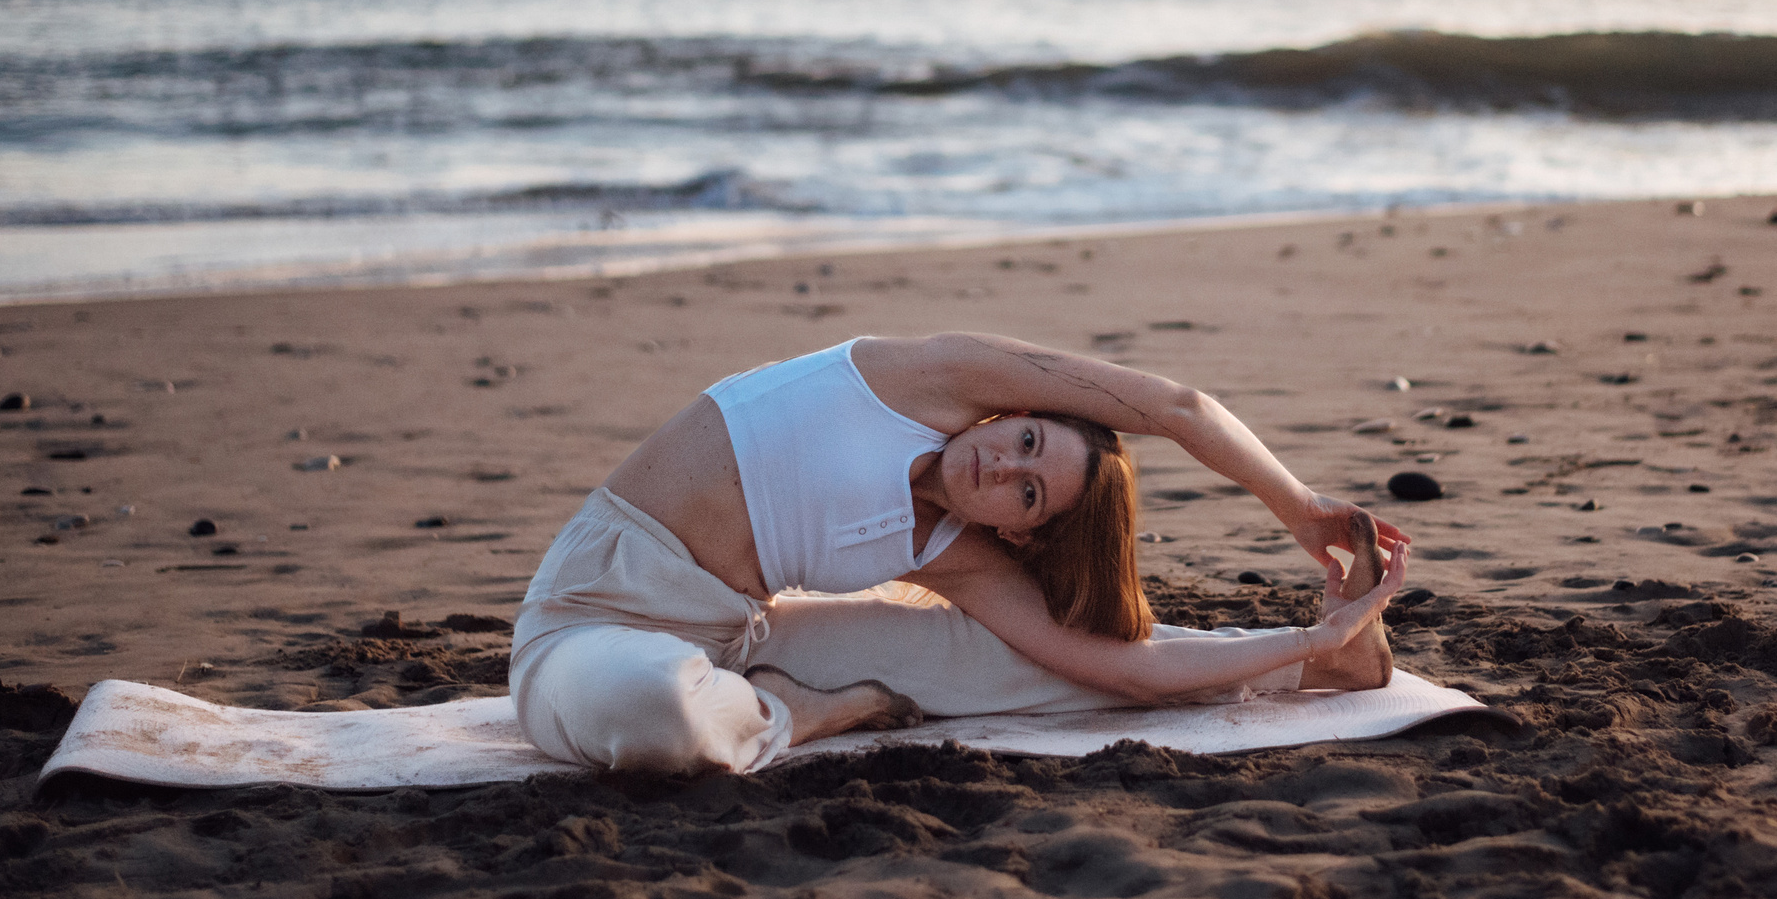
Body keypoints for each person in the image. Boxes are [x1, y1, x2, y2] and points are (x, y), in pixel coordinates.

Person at [510, 332, 1409, 774]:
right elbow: (1172, 405)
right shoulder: (912, 379)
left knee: (1035, 665)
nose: (1000, 463)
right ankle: (799, 717)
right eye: (1022, 439)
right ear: (1006, 408)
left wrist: (1305, 641)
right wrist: (1297, 505)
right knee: (655, 711)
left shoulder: (955, 553)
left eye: (1027, 490)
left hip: (741, 636)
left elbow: (1121, 666)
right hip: (590, 623)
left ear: (1019, 529)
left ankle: (1331, 665)